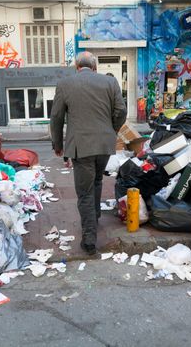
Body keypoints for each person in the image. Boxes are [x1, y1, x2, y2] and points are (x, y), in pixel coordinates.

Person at [50, 52, 126, 255]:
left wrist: (57, 144)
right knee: (97, 181)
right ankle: (95, 215)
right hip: (104, 144)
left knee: (84, 192)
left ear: (77, 67)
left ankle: (89, 239)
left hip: (81, 147)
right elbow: (121, 111)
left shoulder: (65, 84)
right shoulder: (110, 82)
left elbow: (56, 117)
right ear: (95, 67)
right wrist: (112, 130)